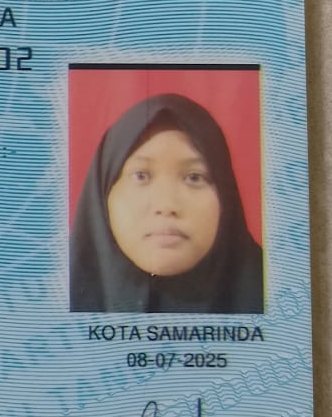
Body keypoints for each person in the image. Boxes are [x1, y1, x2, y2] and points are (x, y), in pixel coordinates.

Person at [70, 91, 264, 313]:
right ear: (103, 192)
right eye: (141, 176)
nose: (166, 205)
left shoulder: (278, 293)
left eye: (194, 177)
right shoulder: (49, 296)